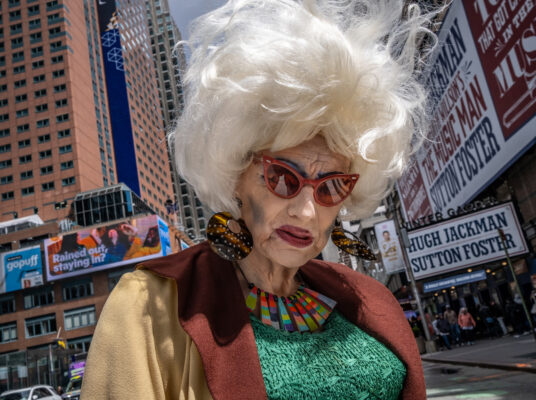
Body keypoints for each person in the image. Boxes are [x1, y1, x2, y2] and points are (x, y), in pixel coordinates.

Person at [81, 1, 436, 399]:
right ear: (235, 176)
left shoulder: (369, 299)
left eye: (331, 187)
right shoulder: (148, 305)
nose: (306, 211)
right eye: (283, 178)